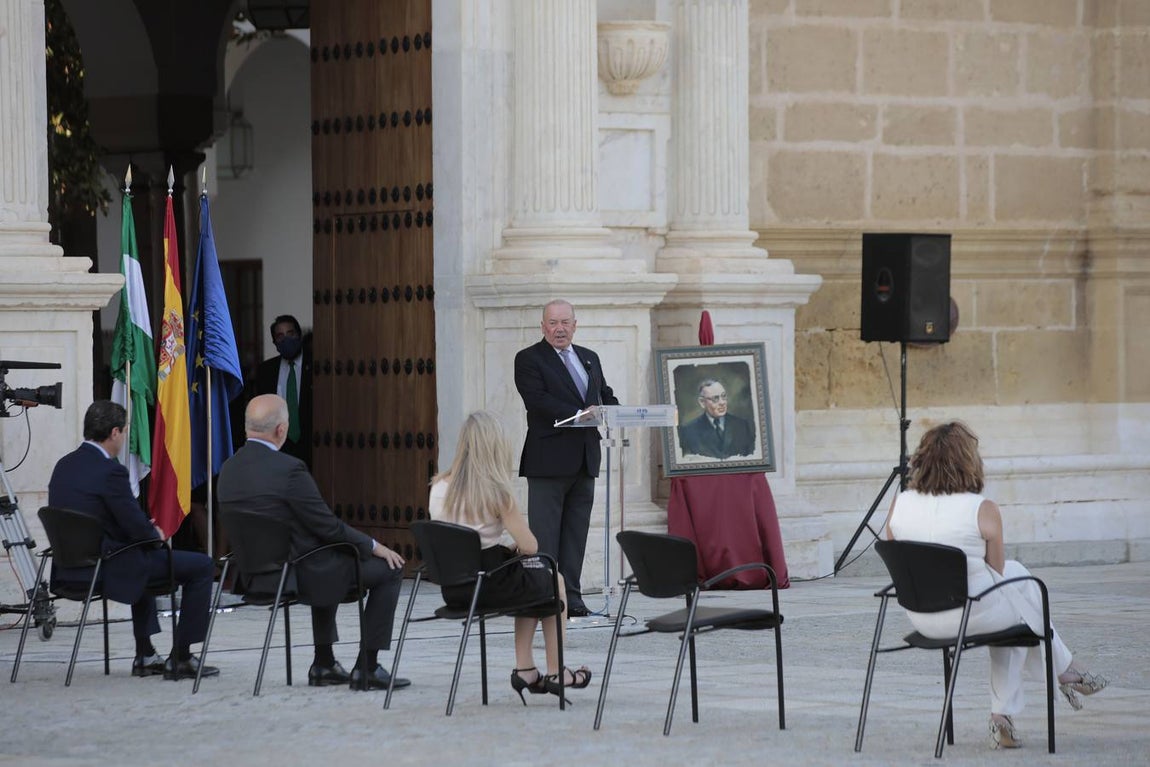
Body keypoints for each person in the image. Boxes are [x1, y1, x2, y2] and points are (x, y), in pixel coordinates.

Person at [884, 421, 1108, 749]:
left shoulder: (899, 504)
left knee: (1019, 597)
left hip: (919, 615)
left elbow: (901, 554)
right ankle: (1060, 669)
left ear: (922, 459)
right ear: (969, 461)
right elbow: (997, 569)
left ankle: (1007, 715)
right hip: (969, 615)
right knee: (1023, 588)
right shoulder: (982, 509)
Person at [217, 394, 410, 691]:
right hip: (295, 574)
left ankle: (324, 663)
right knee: (388, 571)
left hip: (253, 576)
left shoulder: (228, 468)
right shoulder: (289, 469)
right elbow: (327, 525)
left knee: (325, 556)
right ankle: (368, 667)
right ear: (281, 430)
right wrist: (374, 545)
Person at [47, 400, 218, 681]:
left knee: (141, 555)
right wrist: (154, 534)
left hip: (71, 567)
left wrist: (141, 534)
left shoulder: (63, 466)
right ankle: (183, 657)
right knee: (201, 566)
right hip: (107, 567)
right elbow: (135, 526)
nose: (124, 438)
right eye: (124, 432)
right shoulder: (110, 471)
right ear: (115, 432)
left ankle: (146, 654)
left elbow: (100, 517)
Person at [429, 410, 591, 700]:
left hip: (454, 588)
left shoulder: (438, 487)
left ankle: (527, 670)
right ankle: (556, 671)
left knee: (532, 579)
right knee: (553, 579)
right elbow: (530, 546)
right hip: (488, 585)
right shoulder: (496, 493)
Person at [514, 299, 618, 617]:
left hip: (585, 457)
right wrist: (578, 414)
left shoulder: (589, 358)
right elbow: (537, 400)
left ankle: (572, 596)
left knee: (575, 534)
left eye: (565, 323)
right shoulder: (529, 358)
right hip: (548, 460)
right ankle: (546, 597)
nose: (559, 329)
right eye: (553, 323)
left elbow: (604, 393)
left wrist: (614, 409)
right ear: (543, 326)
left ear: (575, 324)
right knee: (545, 537)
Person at [255, 314, 311, 467]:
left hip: (312, 447)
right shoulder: (266, 371)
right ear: (275, 343)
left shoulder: (316, 366)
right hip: (280, 449)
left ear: (299, 335)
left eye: (290, 333)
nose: (286, 339)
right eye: (280, 336)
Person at [677, 378, 756, 459]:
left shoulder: (742, 426)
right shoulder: (689, 431)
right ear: (702, 402)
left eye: (723, 396)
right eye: (715, 398)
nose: (722, 402)